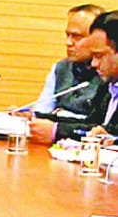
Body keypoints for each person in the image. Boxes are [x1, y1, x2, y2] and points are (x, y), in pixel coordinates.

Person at [30, 11, 118, 144]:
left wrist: (57, 131)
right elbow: (93, 123)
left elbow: (111, 134)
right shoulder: (110, 85)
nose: (94, 64)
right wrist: (37, 117)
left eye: (99, 56)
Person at [32, 4, 105, 117]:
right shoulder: (60, 68)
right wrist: (30, 115)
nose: (68, 43)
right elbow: (42, 110)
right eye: (68, 35)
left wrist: (60, 115)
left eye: (77, 36)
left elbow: (106, 123)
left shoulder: (111, 74)